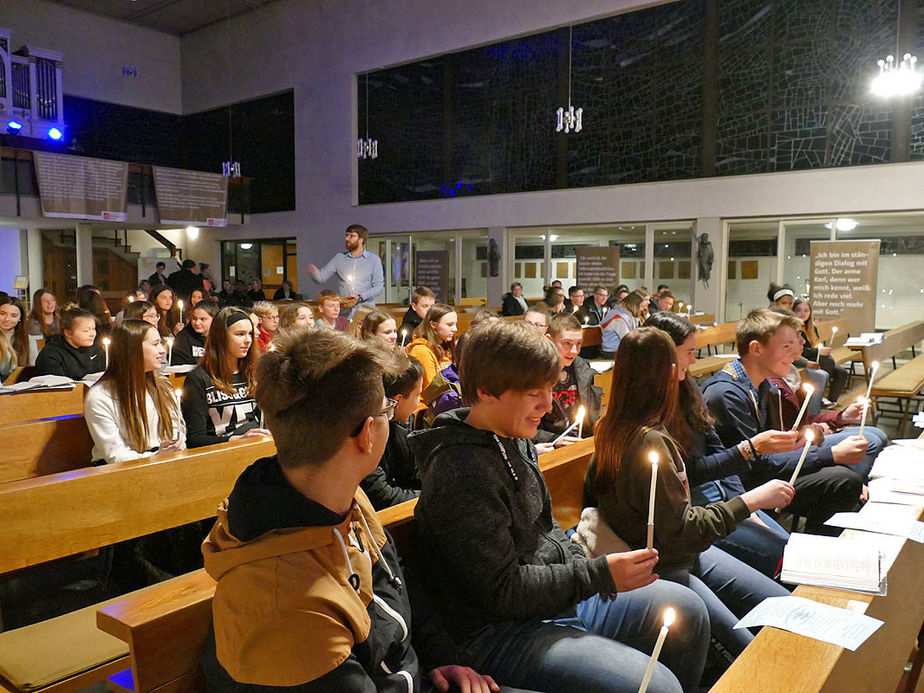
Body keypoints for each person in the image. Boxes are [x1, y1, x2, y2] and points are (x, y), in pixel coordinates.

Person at [409, 320, 710, 693]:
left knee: (687, 608)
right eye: (535, 392)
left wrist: (584, 568)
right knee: (658, 686)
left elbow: (547, 527)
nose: (548, 405)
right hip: (498, 631)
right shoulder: (461, 470)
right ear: (486, 391)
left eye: (550, 389)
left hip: (554, 600)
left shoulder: (514, 437)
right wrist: (597, 575)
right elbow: (501, 591)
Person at [200, 326, 505, 693]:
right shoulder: (289, 610)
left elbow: (392, 585)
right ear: (366, 434)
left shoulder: (343, 497)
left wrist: (439, 659)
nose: (392, 419)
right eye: (387, 409)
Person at [586, 327, 793, 661]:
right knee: (747, 654)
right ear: (669, 372)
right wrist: (752, 500)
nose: (689, 366)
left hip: (687, 553)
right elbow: (679, 531)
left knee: (782, 606)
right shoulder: (646, 441)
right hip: (667, 565)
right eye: (681, 360)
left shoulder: (612, 427)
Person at [644, 311, 796, 578]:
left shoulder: (686, 388)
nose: (694, 359)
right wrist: (750, 450)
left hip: (724, 500)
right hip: (697, 516)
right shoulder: (654, 411)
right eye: (689, 351)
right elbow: (690, 472)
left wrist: (744, 505)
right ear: (664, 353)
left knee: (789, 549)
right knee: (783, 555)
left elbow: (715, 448)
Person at [701, 309, 866, 535]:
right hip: (745, 489)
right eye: (786, 347)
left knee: (846, 473)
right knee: (842, 481)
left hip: (764, 473)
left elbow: (773, 452)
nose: (795, 354)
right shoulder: (726, 394)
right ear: (756, 348)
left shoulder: (763, 384)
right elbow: (751, 467)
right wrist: (831, 455)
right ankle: (804, 555)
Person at [84, 319, 185, 464]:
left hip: (161, 460)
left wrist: (177, 444)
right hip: (120, 470)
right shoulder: (100, 396)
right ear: (133, 350)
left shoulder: (162, 384)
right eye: (155, 344)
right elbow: (116, 455)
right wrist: (156, 457)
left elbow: (176, 428)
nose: (162, 350)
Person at [181, 308, 270, 448]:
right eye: (240, 334)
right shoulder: (198, 378)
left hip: (253, 448)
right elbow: (194, 439)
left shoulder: (253, 372)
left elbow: (265, 422)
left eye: (250, 334)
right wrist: (234, 440)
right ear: (221, 337)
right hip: (220, 454)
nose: (248, 340)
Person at [360, 352, 425, 509]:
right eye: (417, 395)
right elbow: (381, 496)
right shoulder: (367, 431)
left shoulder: (402, 424)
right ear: (398, 400)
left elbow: (415, 472)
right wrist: (430, 497)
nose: (418, 403)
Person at [539, 312, 602, 438]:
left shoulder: (583, 370)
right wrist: (554, 440)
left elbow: (591, 418)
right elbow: (524, 431)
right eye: (567, 343)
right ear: (549, 340)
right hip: (551, 446)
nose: (574, 351)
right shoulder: (535, 375)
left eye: (578, 344)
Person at [307, 223, 385, 313]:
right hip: (345, 312)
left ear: (361, 240)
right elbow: (321, 278)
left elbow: (378, 287)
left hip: (365, 312)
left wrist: (360, 296)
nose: (347, 239)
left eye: (351, 236)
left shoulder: (373, 259)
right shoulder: (339, 258)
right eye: (346, 235)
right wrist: (315, 273)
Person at [793, 298, 849, 402]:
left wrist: (821, 348)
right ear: (793, 311)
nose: (802, 313)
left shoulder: (812, 327)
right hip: (803, 360)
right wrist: (818, 351)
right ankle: (818, 397)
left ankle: (831, 401)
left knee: (841, 372)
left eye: (806, 310)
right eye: (798, 310)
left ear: (810, 312)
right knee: (828, 361)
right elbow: (799, 351)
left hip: (816, 358)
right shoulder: (793, 328)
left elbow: (817, 343)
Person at [34, 304, 105, 380]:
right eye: (86, 330)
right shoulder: (51, 353)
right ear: (68, 333)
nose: (92, 334)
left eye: (93, 329)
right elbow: (55, 385)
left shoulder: (96, 349)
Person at [406, 303, 457, 391]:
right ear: (433, 324)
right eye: (449, 325)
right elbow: (432, 391)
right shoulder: (421, 351)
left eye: (455, 324)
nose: (455, 329)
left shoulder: (445, 347)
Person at [599, 290, 648, 358]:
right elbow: (627, 339)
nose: (642, 309)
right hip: (612, 351)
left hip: (620, 349)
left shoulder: (626, 313)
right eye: (641, 307)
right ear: (634, 305)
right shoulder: (619, 317)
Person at [172, 301, 219, 366]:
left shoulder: (221, 337)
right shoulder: (183, 338)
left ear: (214, 319)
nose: (197, 323)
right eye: (194, 318)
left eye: (202, 319)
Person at [0, 296, 30, 368]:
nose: (7, 319)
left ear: (20, 318)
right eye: (2, 314)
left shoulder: (28, 339)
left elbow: (31, 369)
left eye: (13, 316)